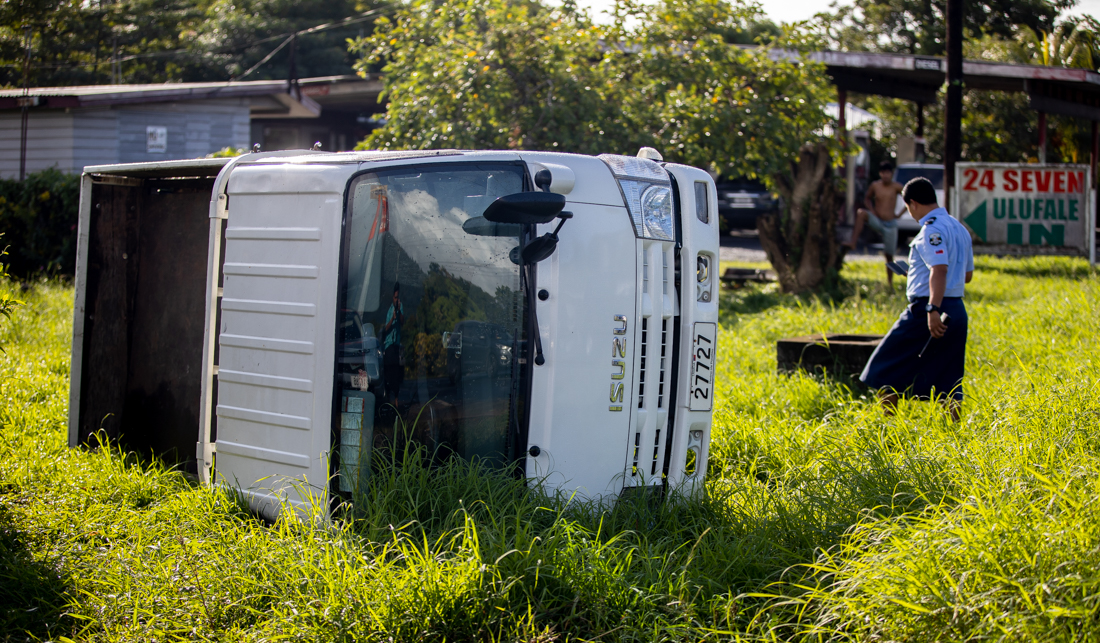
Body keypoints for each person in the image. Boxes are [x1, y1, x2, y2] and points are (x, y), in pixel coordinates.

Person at [859, 177, 974, 421]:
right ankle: (955, 432)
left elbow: (939, 269)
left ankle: (889, 426)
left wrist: (932, 308)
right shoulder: (960, 229)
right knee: (950, 376)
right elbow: (966, 276)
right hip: (957, 310)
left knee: (882, 367)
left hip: (927, 310)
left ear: (912, 203)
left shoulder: (930, 230)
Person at [844, 161, 906, 286]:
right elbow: (867, 198)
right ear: (880, 173)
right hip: (877, 220)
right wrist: (872, 210)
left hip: (890, 223)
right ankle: (853, 242)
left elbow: (909, 199)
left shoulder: (897, 187)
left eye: (888, 173)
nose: (886, 176)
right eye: (883, 173)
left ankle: (890, 283)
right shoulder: (875, 186)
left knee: (889, 255)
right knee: (861, 213)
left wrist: (899, 214)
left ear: (891, 173)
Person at [381, 282, 405, 406]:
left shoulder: (400, 308)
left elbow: (402, 322)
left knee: (396, 373)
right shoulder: (390, 311)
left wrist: (399, 311)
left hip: (396, 345)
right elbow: (386, 329)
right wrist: (392, 318)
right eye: (395, 298)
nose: (397, 300)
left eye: (398, 297)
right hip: (389, 345)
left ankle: (396, 400)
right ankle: (388, 398)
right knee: (388, 372)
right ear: (392, 298)